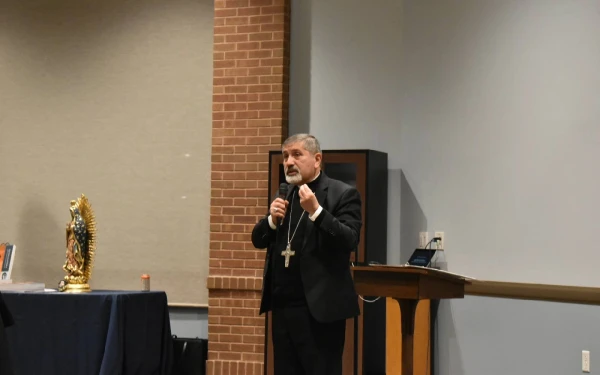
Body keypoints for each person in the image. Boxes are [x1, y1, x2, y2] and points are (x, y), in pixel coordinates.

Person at [251, 134, 362, 375]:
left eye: (297, 155)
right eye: (285, 156)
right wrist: (271, 220)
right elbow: (257, 239)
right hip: (283, 311)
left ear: (317, 159)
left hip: (319, 313)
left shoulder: (342, 194)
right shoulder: (284, 197)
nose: (289, 162)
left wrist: (317, 212)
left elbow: (350, 240)